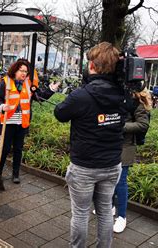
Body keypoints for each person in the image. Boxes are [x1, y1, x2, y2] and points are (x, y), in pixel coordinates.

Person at [54, 42, 126, 248]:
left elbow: (60, 113)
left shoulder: (82, 95)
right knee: (105, 212)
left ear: (92, 65)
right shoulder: (121, 93)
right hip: (112, 165)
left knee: (81, 213)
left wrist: (83, 88)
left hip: (84, 167)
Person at [0, 59, 60, 187]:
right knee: (5, 148)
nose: (24, 73)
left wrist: (52, 89)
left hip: (22, 122)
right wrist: (2, 106)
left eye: (26, 71)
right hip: (9, 121)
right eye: (21, 71)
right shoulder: (5, 82)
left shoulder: (28, 85)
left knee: (18, 149)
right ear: (15, 70)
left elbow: (41, 96)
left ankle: (16, 174)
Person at [112, 88, 151, 233]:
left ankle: (121, 217)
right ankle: (110, 207)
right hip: (111, 144)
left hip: (126, 146)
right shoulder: (116, 96)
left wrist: (121, 126)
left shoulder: (136, 103)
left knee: (120, 181)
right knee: (109, 178)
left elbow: (143, 125)